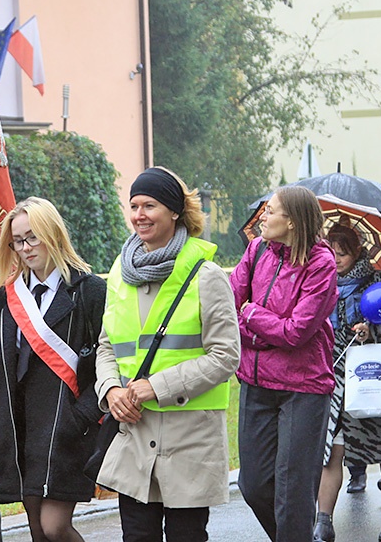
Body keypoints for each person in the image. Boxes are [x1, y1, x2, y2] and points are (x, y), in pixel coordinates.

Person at [94, 167, 240, 542]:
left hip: (190, 438)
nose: (139, 214)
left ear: (174, 211)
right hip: (135, 435)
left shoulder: (207, 276)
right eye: (134, 205)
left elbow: (225, 355)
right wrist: (111, 390)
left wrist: (153, 387)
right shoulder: (119, 274)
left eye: (150, 205)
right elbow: (107, 345)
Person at [0, 197, 105, 541]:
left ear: (52, 233)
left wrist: (80, 417)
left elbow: (108, 362)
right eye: (18, 240)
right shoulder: (9, 296)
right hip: (19, 425)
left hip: (66, 426)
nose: (25, 247)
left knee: (55, 526)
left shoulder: (90, 291)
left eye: (32, 237)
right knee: (37, 529)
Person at [229, 186, 338, 541]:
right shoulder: (257, 250)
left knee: (292, 493)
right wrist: (255, 320)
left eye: (271, 211)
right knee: (253, 485)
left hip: (302, 388)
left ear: (291, 221)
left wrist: (252, 315)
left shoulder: (321, 263)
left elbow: (296, 333)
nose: (263, 216)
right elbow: (231, 307)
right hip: (255, 381)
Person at [314, 221, 381, 542]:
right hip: (331, 378)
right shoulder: (317, 279)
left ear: (356, 251)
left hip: (372, 375)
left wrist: (373, 331)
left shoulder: (379, 281)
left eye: (342, 253)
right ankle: (323, 521)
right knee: (331, 449)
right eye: (332, 251)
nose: (336, 258)